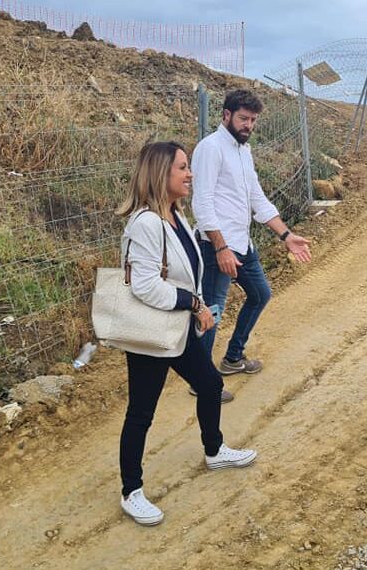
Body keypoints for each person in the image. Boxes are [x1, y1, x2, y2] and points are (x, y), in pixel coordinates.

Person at [114, 141, 257, 526]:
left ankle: (214, 450)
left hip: (176, 329)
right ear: (161, 174)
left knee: (210, 385)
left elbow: (183, 272)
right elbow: (143, 286)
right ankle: (132, 491)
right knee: (141, 413)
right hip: (152, 332)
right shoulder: (145, 223)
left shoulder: (176, 217)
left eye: (188, 166)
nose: (189, 173)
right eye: (182, 167)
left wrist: (194, 306)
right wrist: (193, 304)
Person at [191, 89, 312, 387]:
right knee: (212, 311)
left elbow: (257, 198)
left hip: (242, 244)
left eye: (253, 120)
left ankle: (233, 358)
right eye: (243, 118)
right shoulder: (211, 148)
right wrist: (220, 248)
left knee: (260, 294)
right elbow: (202, 203)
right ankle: (201, 381)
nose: (249, 125)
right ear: (226, 115)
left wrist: (285, 235)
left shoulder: (243, 151)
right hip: (216, 247)